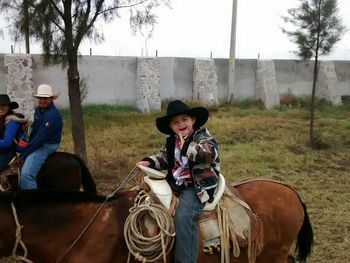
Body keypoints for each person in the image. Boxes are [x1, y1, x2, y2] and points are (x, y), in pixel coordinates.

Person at [137, 100, 220, 262]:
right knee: (146, 199)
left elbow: (210, 154)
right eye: (175, 122)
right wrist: (150, 161)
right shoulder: (172, 141)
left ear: (193, 120)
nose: (180, 124)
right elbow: (164, 157)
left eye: (184, 120)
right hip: (176, 182)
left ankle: (186, 259)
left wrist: (186, 148)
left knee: (183, 215)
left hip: (197, 185)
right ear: (171, 126)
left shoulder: (202, 136)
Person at [19, 84, 63, 189]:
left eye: (45, 98)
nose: (42, 100)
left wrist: (23, 154)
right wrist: (26, 141)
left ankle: (31, 202)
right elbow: (34, 128)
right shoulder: (39, 109)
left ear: (51, 99)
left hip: (47, 145)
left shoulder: (52, 115)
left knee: (27, 175)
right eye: (40, 98)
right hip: (38, 141)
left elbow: (40, 139)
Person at [0, 94, 27, 171]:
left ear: (9, 107)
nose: (1, 108)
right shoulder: (1, 118)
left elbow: (7, 142)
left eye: (4, 105)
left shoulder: (12, 121)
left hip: (7, 152)